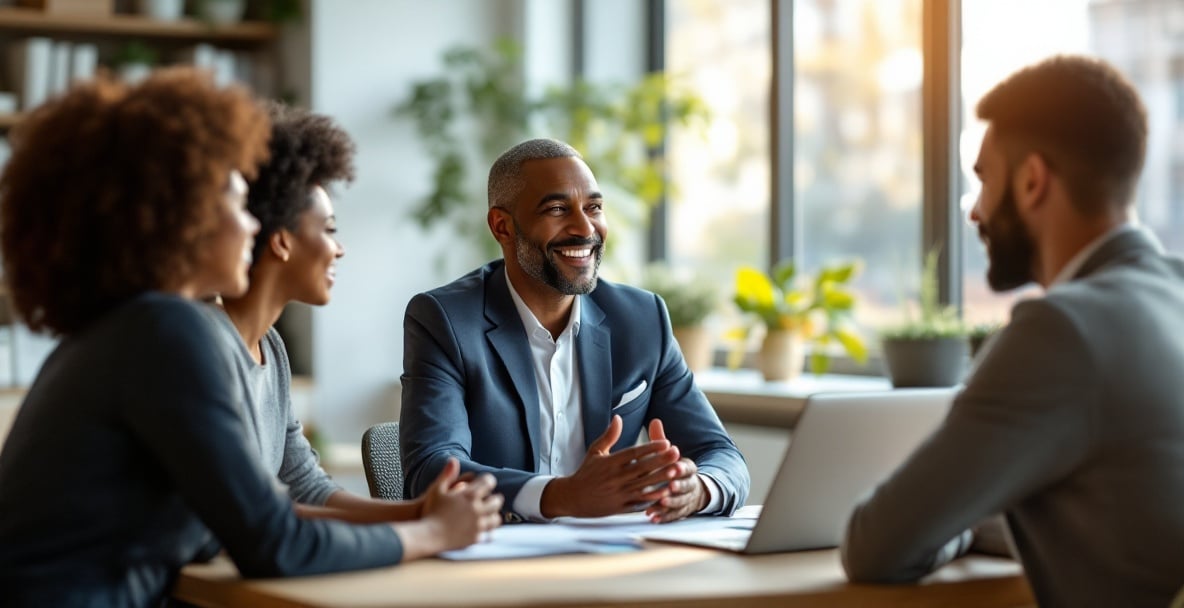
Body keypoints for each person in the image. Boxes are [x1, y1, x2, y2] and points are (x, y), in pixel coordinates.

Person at [0, 69, 501, 608]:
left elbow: (260, 513)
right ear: (182, 213)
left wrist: (422, 517)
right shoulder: (164, 331)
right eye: (239, 206)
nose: (251, 227)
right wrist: (434, 535)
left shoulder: (137, 327)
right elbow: (275, 544)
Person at [840, 55, 1184, 606]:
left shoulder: (1060, 331)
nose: (974, 213)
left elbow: (876, 544)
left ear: (1030, 182)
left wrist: (956, 516)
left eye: (983, 180)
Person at [400, 138, 749, 523]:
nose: (585, 228)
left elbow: (723, 455)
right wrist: (561, 496)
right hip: (493, 558)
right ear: (503, 226)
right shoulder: (445, 319)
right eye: (556, 209)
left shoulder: (642, 319)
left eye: (594, 207)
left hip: (609, 557)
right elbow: (433, 471)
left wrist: (697, 489)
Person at [214, 102, 459, 524]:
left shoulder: (271, 349)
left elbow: (306, 486)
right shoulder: (207, 345)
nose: (339, 248)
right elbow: (251, 515)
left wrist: (418, 513)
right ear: (281, 241)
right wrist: (424, 531)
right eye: (328, 230)